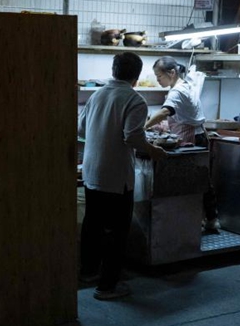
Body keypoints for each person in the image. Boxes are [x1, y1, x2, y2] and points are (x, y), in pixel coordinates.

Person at [78, 52, 166, 301]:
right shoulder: (134, 99)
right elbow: (133, 137)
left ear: (114, 70)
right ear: (137, 76)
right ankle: (107, 287)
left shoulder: (97, 94)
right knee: (117, 232)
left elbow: (81, 128)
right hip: (116, 176)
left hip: (92, 171)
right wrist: (153, 150)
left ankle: (88, 272)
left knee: (92, 225)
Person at [145, 56, 219, 232]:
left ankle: (202, 221)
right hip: (197, 136)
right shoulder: (184, 85)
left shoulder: (177, 91)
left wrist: (144, 127)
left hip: (191, 140)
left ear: (171, 72)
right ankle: (207, 219)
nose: (157, 80)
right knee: (201, 180)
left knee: (193, 182)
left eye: (159, 76)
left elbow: (165, 112)